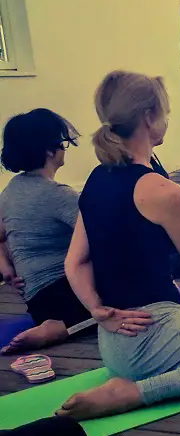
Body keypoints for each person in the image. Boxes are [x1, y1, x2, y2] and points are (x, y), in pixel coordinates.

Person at [57, 70, 180, 420]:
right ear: (149, 118)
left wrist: (97, 310)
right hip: (151, 338)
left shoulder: (97, 178)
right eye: (164, 112)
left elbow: (75, 261)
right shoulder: (161, 191)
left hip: (118, 338)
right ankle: (137, 393)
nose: (166, 120)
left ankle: (135, 379)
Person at [0, 109, 97, 354]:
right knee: (135, 294)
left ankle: (54, 324)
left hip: (36, 301)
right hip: (70, 293)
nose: (65, 148)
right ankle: (60, 329)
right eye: (63, 142)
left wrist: (7, 269)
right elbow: (104, 233)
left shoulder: (10, 191)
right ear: (48, 150)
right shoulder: (57, 195)